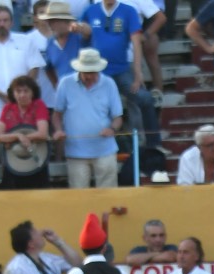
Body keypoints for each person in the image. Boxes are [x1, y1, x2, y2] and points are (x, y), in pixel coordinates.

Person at [74, 0, 164, 150]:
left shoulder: (128, 11)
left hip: (121, 69)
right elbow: (82, 36)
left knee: (145, 99)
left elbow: (136, 42)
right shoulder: (90, 11)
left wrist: (138, 73)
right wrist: (81, 31)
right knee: (90, 105)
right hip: (96, 72)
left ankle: (154, 145)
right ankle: (89, 145)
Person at [52, 48, 123, 188]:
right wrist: (58, 130)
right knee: (79, 196)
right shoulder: (65, 83)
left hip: (105, 150)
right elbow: (56, 114)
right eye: (86, 72)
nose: (89, 76)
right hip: (76, 152)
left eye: (92, 72)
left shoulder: (109, 83)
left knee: (108, 194)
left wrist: (112, 129)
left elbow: (118, 117)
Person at [0, 4, 44, 130]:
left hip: (25, 107)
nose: (1, 24)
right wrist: (2, 95)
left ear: (12, 22)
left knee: (27, 141)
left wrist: (21, 93)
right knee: (1, 142)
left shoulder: (25, 41)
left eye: (5, 20)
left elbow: (34, 68)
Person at [0, 75, 51, 189]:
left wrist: (23, 138)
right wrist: (18, 136)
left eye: (26, 91)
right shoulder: (7, 108)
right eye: (18, 91)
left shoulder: (39, 105)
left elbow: (43, 133)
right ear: (13, 93)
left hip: (36, 158)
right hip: (13, 160)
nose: (22, 95)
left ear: (33, 92)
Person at [3, 220, 81, 274]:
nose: (41, 233)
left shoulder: (46, 258)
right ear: (31, 244)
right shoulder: (18, 268)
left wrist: (58, 241)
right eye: (35, 232)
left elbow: (78, 264)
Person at [41, 1, 86, 88]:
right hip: (65, 90)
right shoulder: (50, 43)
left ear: (65, 21)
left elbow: (88, 32)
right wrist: (57, 86)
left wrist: (80, 27)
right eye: (48, 21)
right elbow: (48, 68)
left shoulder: (80, 37)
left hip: (84, 88)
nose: (49, 25)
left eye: (53, 21)